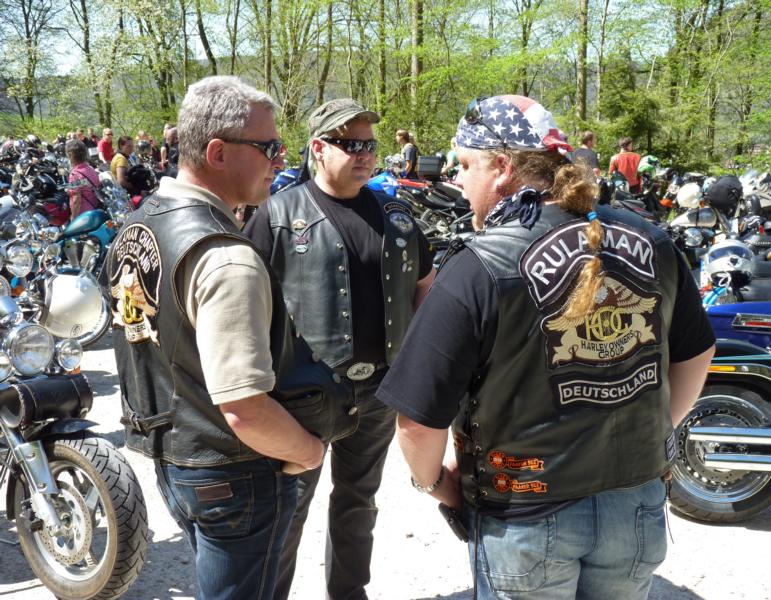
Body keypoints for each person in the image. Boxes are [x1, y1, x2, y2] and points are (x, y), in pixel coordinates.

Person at [376, 95, 716, 599]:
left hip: (525, 516)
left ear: (502, 167)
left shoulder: (478, 266)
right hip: (635, 505)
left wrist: (435, 485)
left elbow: (417, 420)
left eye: (465, 165)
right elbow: (696, 352)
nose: (458, 181)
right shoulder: (653, 240)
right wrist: (655, 434)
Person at [106, 75, 331, 600]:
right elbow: (245, 408)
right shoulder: (226, 257)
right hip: (234, 471)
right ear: (217, 152)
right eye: (269, 147)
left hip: (178, 460)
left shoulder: (137, 226)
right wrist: (308, 451)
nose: (280, 159)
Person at [245, 98, 435, 600]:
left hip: (379, 391)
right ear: (318, 148)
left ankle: (349, 594)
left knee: (359, 501)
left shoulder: (397, 214)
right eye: (350, 144)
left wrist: (418, 363)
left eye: (369, 144)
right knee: (288, 506)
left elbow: (425, 284)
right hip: (302, 395)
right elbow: (244, 300)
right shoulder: (277, 214)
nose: (364, 154)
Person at [65, 139, 102, 220]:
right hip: (95, 210)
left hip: (84, 216)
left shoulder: (74, 174)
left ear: (70, 155)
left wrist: (74, 219)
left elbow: (76, 200)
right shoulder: (91, 169)